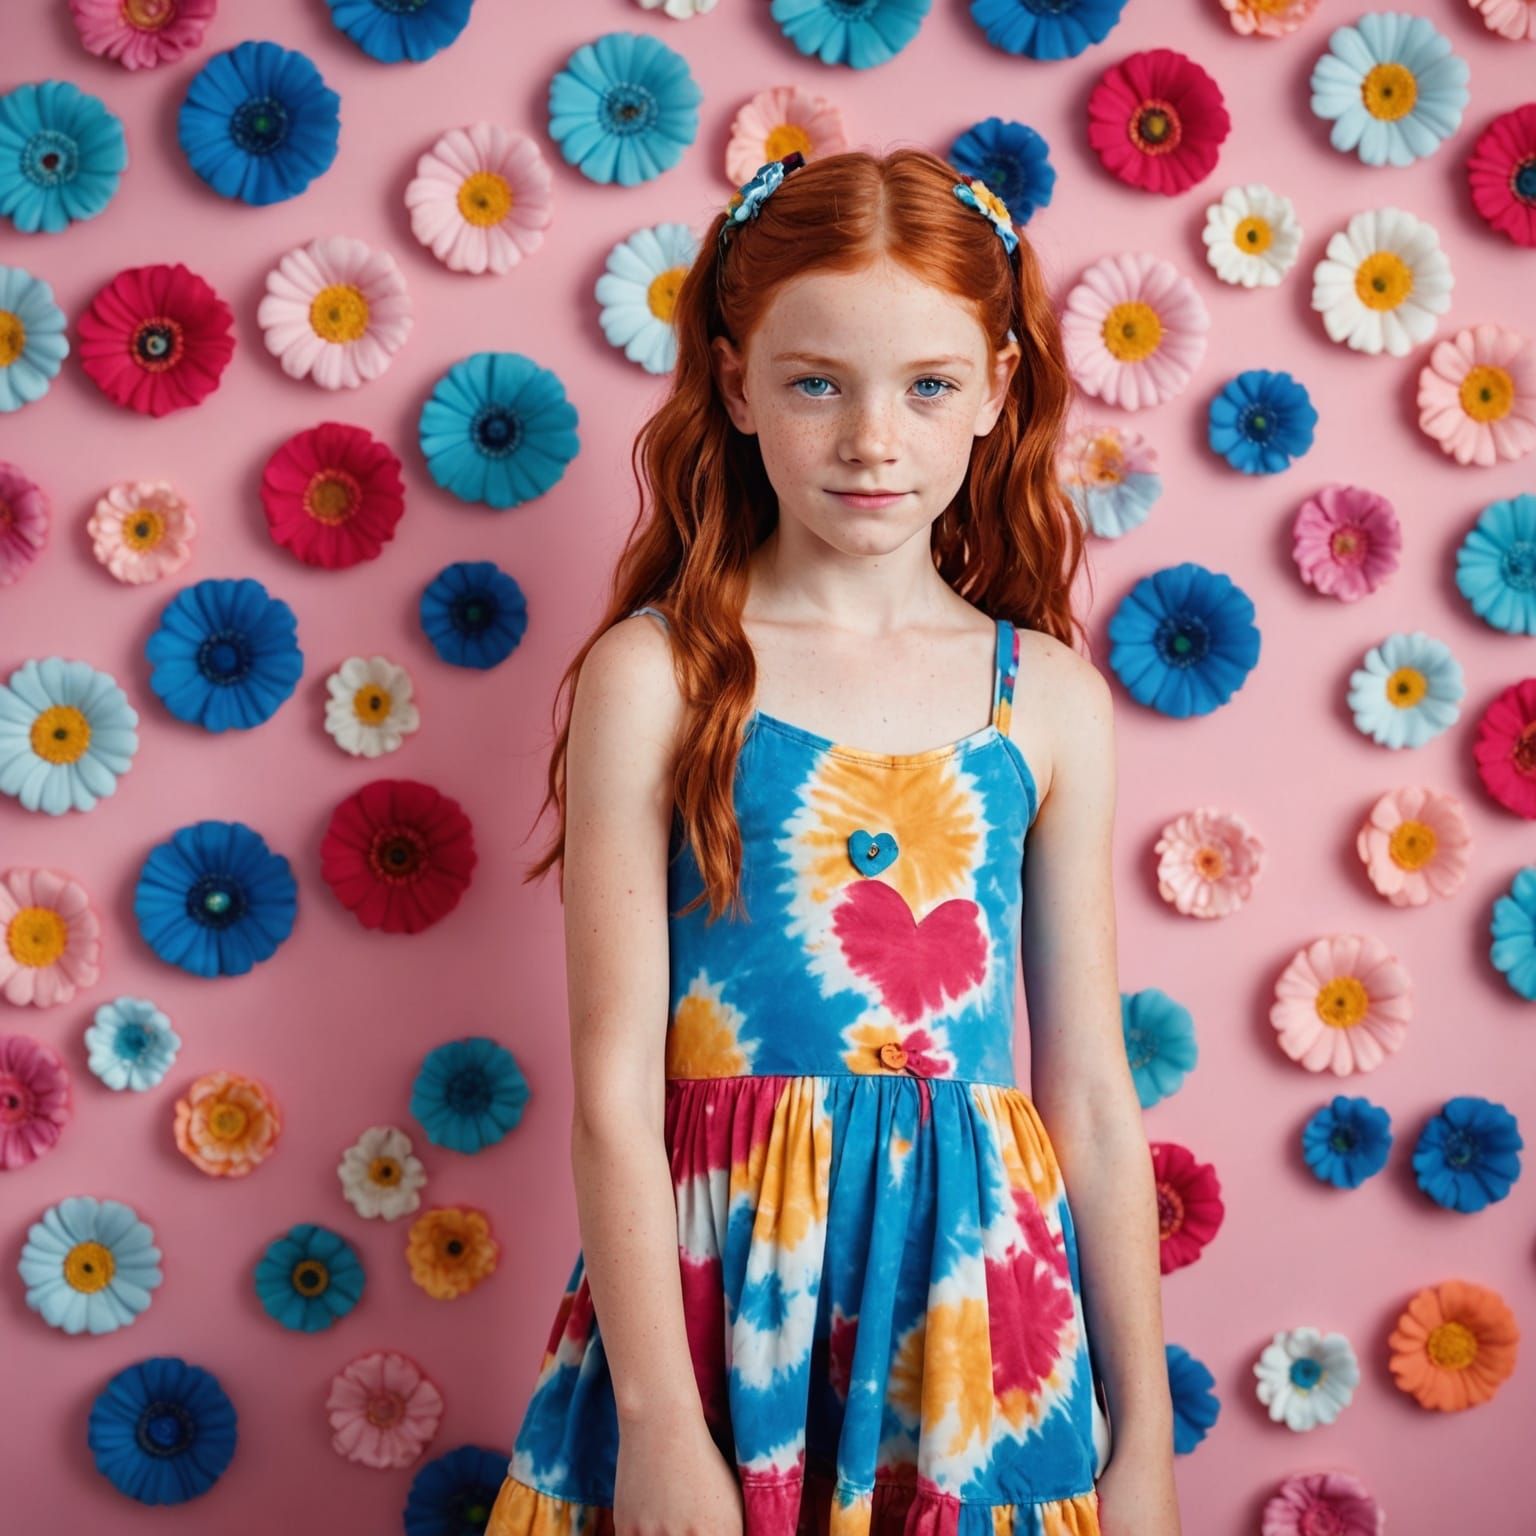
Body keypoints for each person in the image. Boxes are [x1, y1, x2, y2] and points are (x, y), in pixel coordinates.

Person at [487, 146, 1179, 1536]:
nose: (874, 439)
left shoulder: (1047, 698)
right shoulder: (660, 675)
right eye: (817, 384)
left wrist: (1148, 1437)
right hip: (715, 1314)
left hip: (976, 1324)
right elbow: (614, 1092)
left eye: (927, 386)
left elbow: (1094, 1100)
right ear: (736, 385)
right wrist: (660, 1426)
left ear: (996, 389)